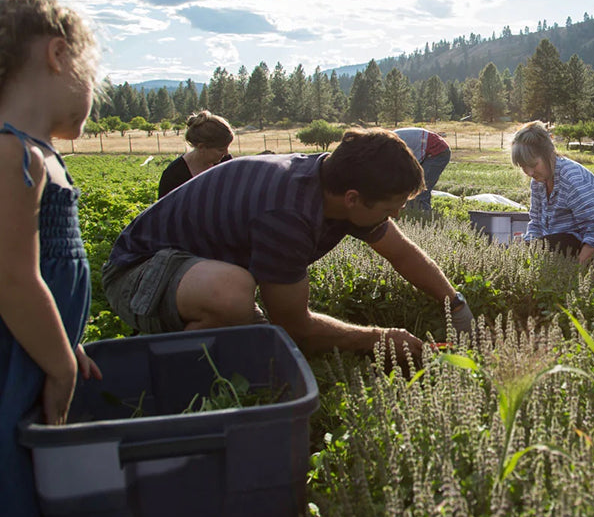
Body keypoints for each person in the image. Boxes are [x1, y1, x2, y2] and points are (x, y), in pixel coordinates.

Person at [102, 127, 474, 361]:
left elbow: (401, 252)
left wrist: (454, 303)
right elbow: (295, 323)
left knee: (265, 345)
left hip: (191, 273)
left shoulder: (331, 181)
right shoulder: (287, 213)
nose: (391, 218)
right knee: (234, 295)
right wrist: (377, 339)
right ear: (353, 198)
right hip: (138, 277)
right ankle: (167, 373)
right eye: (390, 209)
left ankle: (213, 348)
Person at [0, 0, 102, 517]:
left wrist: (61, 340)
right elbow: (12, 279)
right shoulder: (12, 154)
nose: (95, 93)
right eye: (94, 74)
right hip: (12, 353)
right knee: (13, 441)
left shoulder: (39, 155)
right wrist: (60, 367)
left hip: (33, 345)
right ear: (59, 55)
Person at [510, 120, 594, 265]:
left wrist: (578, 270)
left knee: (553, 243)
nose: (529, 172)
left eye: (533, 165)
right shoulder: (538, 182)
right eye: (523, 166)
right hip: (554, 248)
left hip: (584, 251)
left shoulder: (572, 179)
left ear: (549, 154)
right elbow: (536, 223)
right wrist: (527, 251)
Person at [157, 110, 234, 198]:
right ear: (201, 147)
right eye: (221, 149)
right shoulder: (174, 175)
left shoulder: (226, 163)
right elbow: (165, 209)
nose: (226, 153)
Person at [393, 127, 450, 215]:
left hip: (437, 151)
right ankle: (414, 213)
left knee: (420, 190)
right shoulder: (383, 144)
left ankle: (423, 217)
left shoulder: (387, 147)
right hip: (426, 148)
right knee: (414, 188)